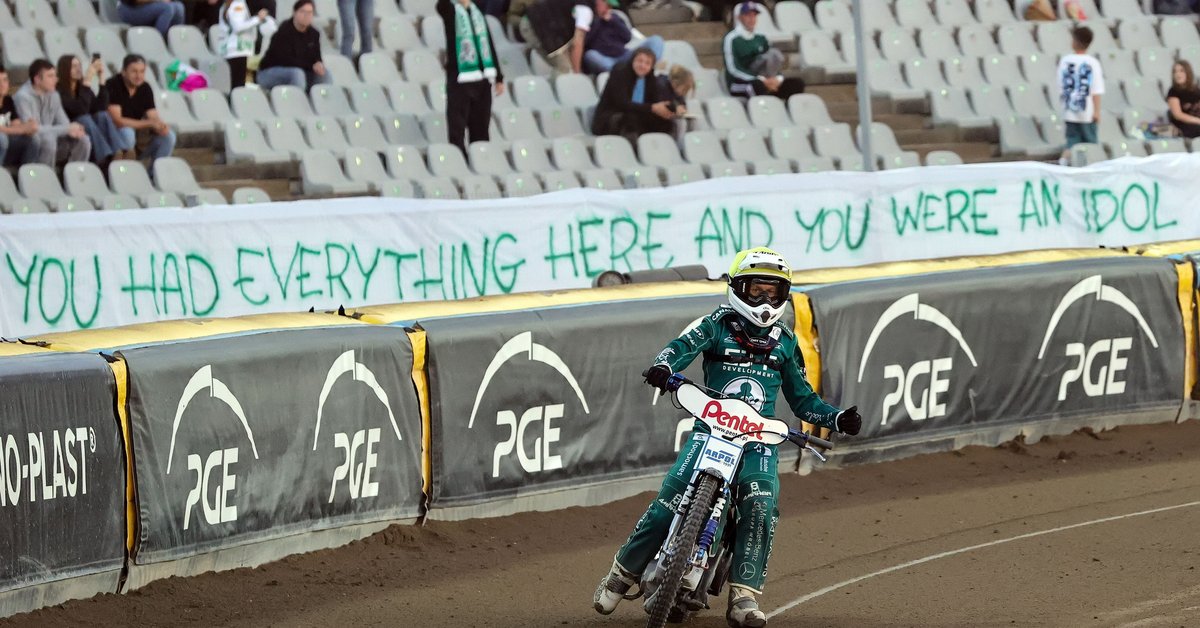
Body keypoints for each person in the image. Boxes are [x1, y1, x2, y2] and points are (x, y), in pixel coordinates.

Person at [592, 247, 863, 628]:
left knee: (762, 504)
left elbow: (803, 400)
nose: (765, 300)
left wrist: (836, 418)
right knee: (670, 497)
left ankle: (743, 598)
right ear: (737, 288)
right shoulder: (715, 324)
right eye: (756, 291)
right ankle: (621, 574)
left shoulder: (786, 342)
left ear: (785, 294)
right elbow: (680, 348)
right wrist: (663, 367)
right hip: (711, 428)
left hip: (759, 440)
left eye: (773, 292)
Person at [438, 0, 506, 155]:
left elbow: (488, 43)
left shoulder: (478, 13)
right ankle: (459, 162)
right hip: (460, 78)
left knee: (481, 128)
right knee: (457, 128)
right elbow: (441, 5)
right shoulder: (450, 10)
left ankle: (481, 161)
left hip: (482, 79)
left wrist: (499, 76)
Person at [56, 55, 134, 168]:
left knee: (102, 115)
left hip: (86, 128)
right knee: (85, 119)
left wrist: (101, 79)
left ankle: (119, 151)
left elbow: (101, 107)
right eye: (73, 66)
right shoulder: (58, 90)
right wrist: (87, 80)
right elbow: (80, 110)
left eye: (79, 66)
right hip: (69, 130)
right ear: (64, 69)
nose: (78, 69)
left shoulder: (81, 88)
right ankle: (105, 157)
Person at [14, 59, 91, 168]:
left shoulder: (54, 95)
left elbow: (64, 122)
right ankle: (45, 178)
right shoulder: (22, 97)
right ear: (37, 79)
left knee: (83, 139)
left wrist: (73, 130)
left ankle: (76, 175)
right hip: (31, 144)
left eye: (55, 76)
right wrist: (67, 129)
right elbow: (32, 129)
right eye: (50, 76)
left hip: (51, 140)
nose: (56, 80)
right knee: (48, 140)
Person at [106, 54, 176, 170]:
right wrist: (149, 123)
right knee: (128, 134)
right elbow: (117, 121)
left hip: (138, 137)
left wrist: (161, 126)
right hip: (114, 137)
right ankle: (120, 172)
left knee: (169, 136)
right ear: (123, 72)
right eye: (134, 71)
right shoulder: (113, 84)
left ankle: (154, 176)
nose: (139, 76)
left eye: (142, 72)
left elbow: (153, 116)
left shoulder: (145, 88)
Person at [591, 47, 677, 140]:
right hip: (612, 117)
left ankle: (660, 150)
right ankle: (632, 151)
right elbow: (622, 103)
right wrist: (652, 107)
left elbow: (656, 100)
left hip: (637, 115)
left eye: (647, 63)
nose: (642, 65)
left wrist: (669, 108)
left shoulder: (650, 78)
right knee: (630, 119)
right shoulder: (620, 72)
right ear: (633, 60)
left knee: (666, 122)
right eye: (640, 61)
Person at [723, 2, 804, 100]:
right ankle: (764, 107)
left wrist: (777, 79)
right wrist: (761, 79)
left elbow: (773, 63)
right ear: (739, 18)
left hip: (764, 79)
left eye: (754, 15)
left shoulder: (761, 37)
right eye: (748, 15)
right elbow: (733, 69)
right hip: (739, 82)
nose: (751, 19)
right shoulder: (731, 39)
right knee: (757, 86)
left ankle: (780, 106)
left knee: (796, 84)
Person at [572, 0, 665, 74]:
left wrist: (612, 20)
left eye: (611, 6)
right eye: (607, 5)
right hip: (604, 58)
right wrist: (598, 21)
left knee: (656, 40)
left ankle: (649, 67)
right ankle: (620, 73)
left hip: (623, 55)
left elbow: (627, 37)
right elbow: (586, 42)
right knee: (590, 55)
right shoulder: (589, 17)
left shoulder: (615, 17)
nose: (609, 8)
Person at [256, 0, 331, 90]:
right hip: (269, 73)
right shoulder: (284, 31)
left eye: (310, 12)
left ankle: (321, 102)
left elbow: (316, 56)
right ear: (294, 13)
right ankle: (297, 102)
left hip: (301, 72)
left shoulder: (314, 34)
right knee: (297, 73)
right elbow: (286, 60)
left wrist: (319, 63)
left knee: (325, 74)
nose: (306, 15)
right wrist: (311, 66)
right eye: (302, 12)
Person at [1055, 26, 1104, 165]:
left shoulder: (1065, 61)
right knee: (1090, 142)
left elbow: (1060, 85)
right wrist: (1097, 111)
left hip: (1069, 110)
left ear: (1074, 41)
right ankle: (1089, 167)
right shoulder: (1093, 63)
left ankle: (1063, 162)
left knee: (1072, 141)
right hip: (1087, 112)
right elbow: (1096, 90)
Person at [218, 0, 278, 89]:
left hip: (230, 49)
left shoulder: (226, 5)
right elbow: (238, 27)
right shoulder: (238, 4)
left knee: (234, 83)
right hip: (238, 49)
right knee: (238, 84)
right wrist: (258, 19)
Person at [0, 66, 39, 168]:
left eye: (4, 80)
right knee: (2, 138)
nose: (2, 85)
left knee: (33, 140)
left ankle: (27, 174)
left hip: (7, 146)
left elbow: (16, 124)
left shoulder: (8, 101)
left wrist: (27, 126)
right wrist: (23, 129)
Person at [117, 0, 186, 38]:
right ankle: (155, 41)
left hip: (150, 6)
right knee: (167, 8)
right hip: (129, 9)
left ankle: (175, 42)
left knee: (179, 7)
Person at [1167, 60, 1200, 138]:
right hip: (1185, 125)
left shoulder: (1196, 90)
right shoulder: (1173, 91)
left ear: (1188, 73)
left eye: (1181, 71)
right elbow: (1178, 115)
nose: (1178, 74)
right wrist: (1198, 121)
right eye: (1175, 71)